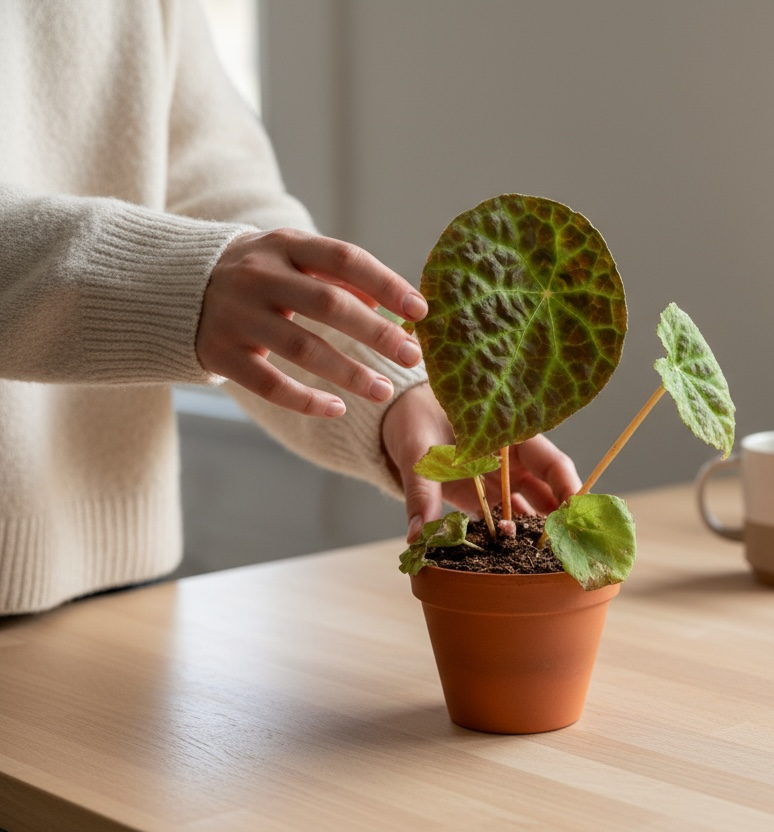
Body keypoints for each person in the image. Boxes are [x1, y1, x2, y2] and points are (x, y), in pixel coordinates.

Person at [0, 0, 580, 615]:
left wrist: (397, 393)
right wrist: (184, 281)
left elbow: (214, 190)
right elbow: (210, 266)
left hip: (116, 575)